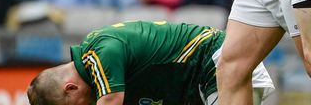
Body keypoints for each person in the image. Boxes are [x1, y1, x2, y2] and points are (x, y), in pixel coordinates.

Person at [26, 21, 274, 105]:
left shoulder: (99, 51)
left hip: (216, 60)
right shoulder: (115, 81)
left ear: (70, 88)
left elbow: (110, 101)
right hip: (197, 88)